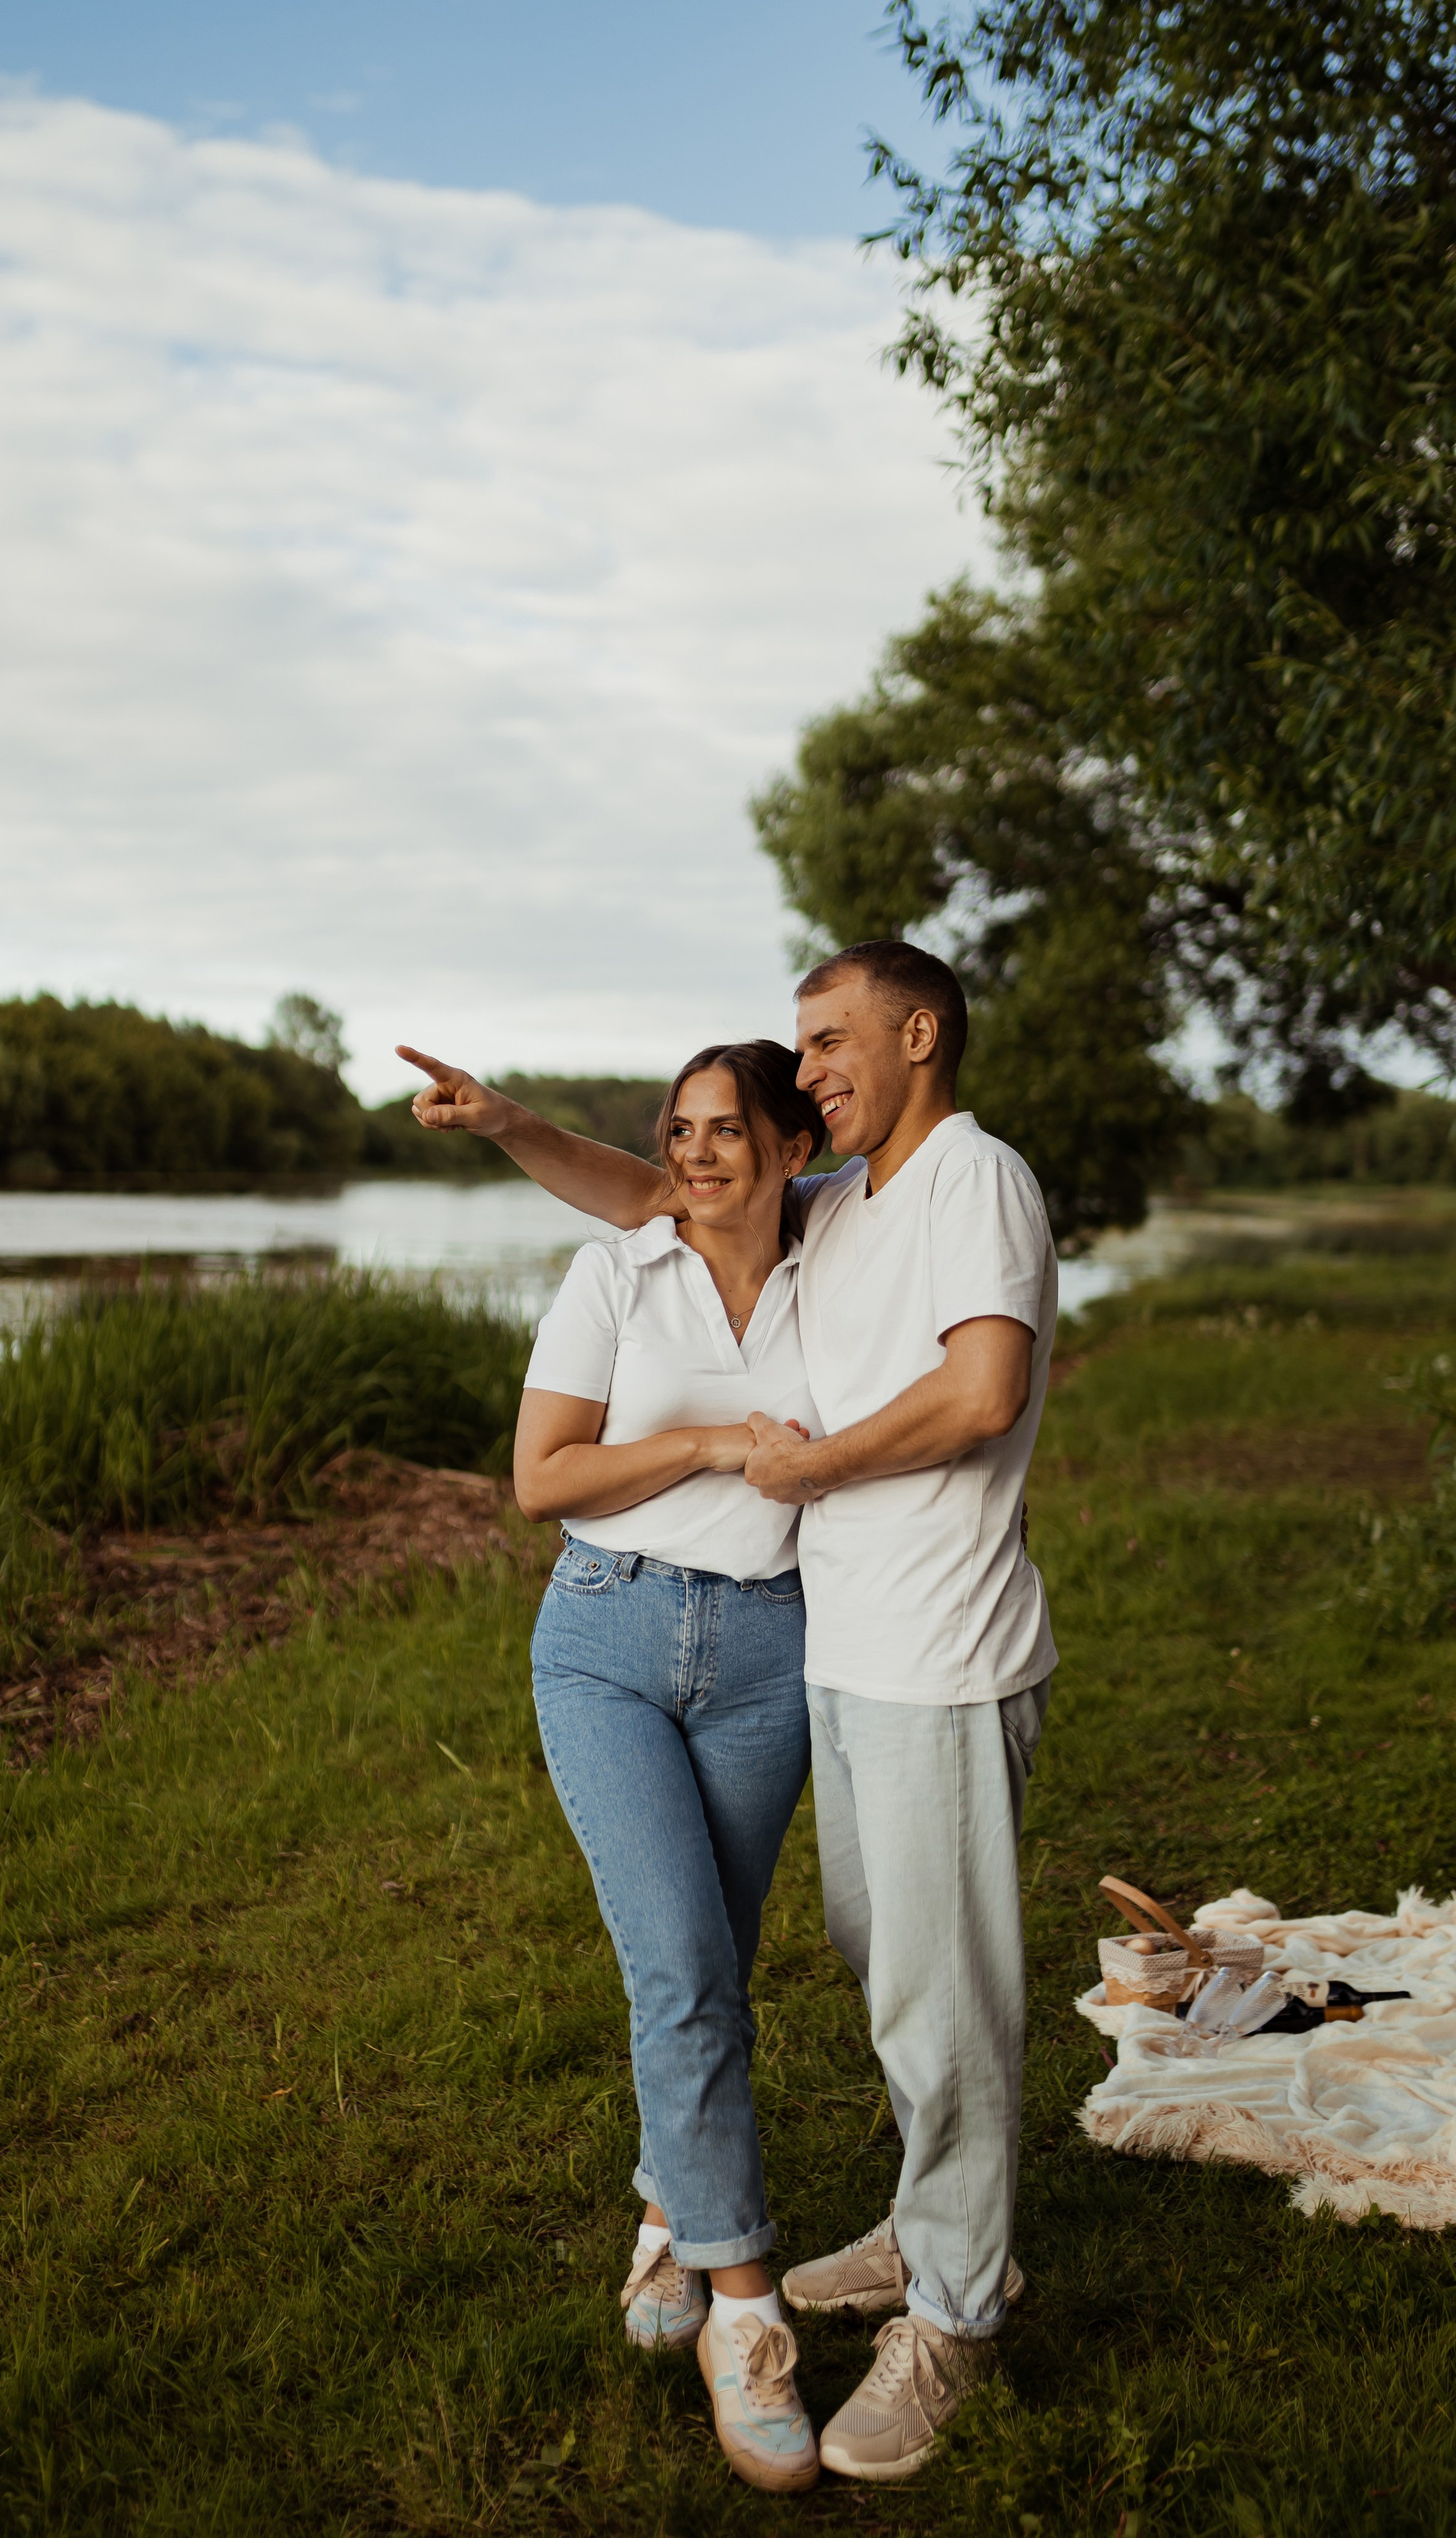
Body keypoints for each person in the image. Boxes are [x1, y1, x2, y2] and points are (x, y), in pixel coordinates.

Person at [398, 937, 1055, 2485]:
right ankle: (850, 2233)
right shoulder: (812, 1213)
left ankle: (913, 2296)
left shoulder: (937, 1188)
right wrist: (505, 1126)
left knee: (867, 1980)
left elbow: (980, 1393)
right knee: (816, 1956)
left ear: (913, 1037)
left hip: (886, 1647)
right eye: (799, 1044)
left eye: (826, 1042)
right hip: (754, 1647)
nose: (809, 1062)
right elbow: (641, 1211)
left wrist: (806, 1467)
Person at [510, 1038, 829, 2495]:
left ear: (785, 1141)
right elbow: (543, 1478)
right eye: (676, 1132)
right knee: (683, 1971)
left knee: (711, 1960)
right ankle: (746, 2314)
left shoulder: (844, 1258)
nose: (696, 1156)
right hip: (606, 1639)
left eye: (725, 1130)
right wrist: (704, 1444)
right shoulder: (617, 1272)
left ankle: (665, 2211)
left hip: (771, 1653)